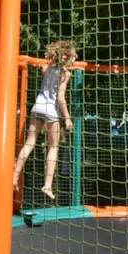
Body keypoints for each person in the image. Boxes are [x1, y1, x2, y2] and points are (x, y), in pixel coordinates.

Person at [12, 40, 78, 200]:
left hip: (37, 108)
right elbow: (61, 98)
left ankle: (14, 176)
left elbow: (44, 70)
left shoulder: (47, 67)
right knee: (53, 147)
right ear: (67, 57)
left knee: (29, 143)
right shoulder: (65, 74)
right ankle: (47, 185)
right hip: (50, 110)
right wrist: (67, 118)